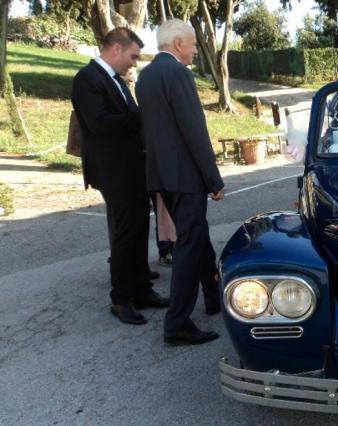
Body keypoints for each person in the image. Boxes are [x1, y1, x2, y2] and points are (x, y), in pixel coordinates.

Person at [71, 28, 169, 326]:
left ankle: (141, 289)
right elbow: (99, 124)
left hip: (132, 168)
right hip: (114, 172)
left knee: (139, 229)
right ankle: (120, 297)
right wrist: (143, 115)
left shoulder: (115, 80)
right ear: (116, 48)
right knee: (125, 234)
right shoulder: (88, 79)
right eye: (133, 56)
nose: (134, 63)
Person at [136, 19, 224, 346]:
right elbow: (194, 132)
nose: (194, 50)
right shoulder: (177, 74)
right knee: (189, 243)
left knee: (194, 233)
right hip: (186, 176)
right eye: (192, 44)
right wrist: (213, 179)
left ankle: (213, 294)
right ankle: (177, 322)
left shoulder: (145, 76)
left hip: (162, 175)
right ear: (176, 44)